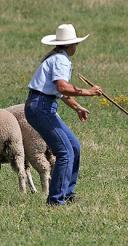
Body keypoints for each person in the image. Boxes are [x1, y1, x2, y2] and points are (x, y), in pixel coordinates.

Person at [25, 24, 102, 205]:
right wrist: (88, 92)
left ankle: (67, 194)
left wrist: (77, 107)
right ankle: (56, 201)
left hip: (42, 106)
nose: (76, 47)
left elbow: (60, 92)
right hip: (41, 107)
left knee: (73, 146)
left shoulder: (57, 57)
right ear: (70, 45)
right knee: (65, 152)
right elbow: (62, 87)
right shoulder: (61, 60)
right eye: (75, 43)